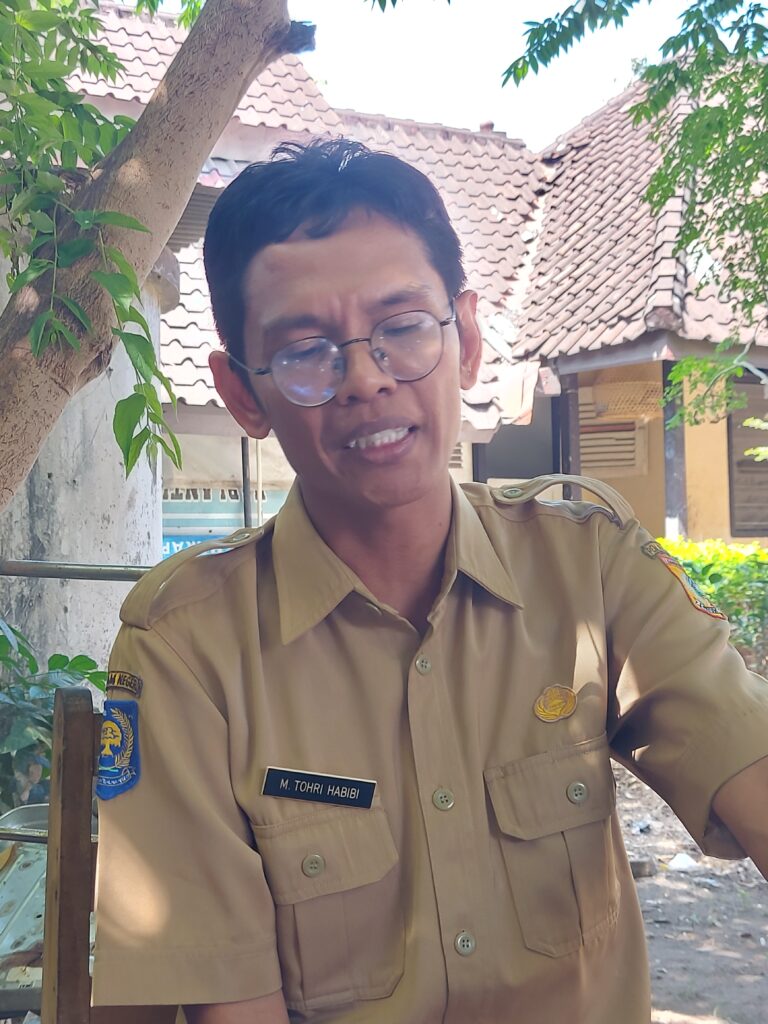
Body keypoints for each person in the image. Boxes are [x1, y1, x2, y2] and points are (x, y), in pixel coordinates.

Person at [92, 140, 768, 1024]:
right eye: (305, 350)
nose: (365, 379)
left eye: (403, 326)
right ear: (243, 393)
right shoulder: (188, 650)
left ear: (468, 338)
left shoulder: (590, 566)